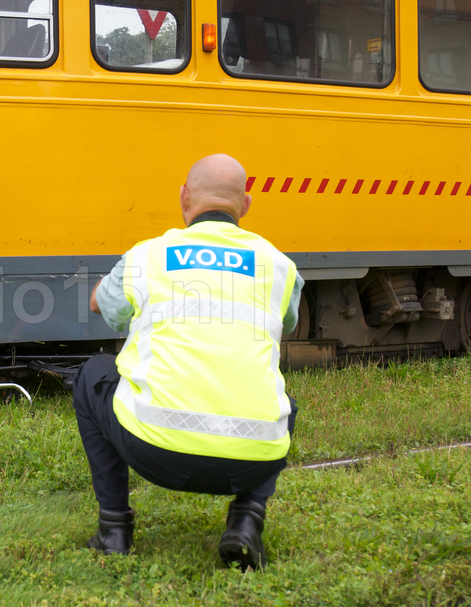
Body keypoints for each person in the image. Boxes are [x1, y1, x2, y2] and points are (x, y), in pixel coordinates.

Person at [72, 153, 303, 570]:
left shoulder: (149, 255)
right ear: (246, 205)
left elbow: (100, 305)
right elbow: (289, 318)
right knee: (281, 402)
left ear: (184, 198)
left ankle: (114, 530)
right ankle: (246, 522)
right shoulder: (279, 265)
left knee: (94, 373)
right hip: (252, 461)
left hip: (156, 452)